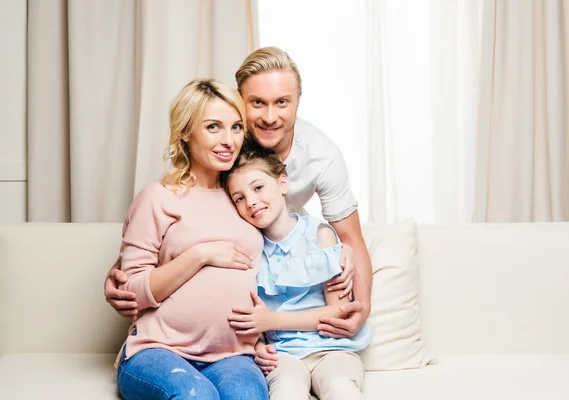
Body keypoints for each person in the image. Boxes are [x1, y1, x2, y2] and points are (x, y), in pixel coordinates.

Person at [105, 46, 372, 339]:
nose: (270, 117)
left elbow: (350, 237)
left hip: (285, 264)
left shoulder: (322, 155)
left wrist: (363, 306)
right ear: (240, 102)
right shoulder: (227, 139)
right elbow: (176, 208)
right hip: (239, 270)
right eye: (257, 103)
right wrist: (124, 273)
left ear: (298, 102)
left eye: (282, 102)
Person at [115, 79, 268, 400]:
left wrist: (333, 244)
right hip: (158, 351)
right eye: (214, 127)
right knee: (195, 395)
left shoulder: (246, 197)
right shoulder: (157, 198)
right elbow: (130, 292)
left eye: (237, 127)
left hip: (233, 355)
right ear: (185, 131)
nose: (229, 140)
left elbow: (287, 250)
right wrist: (199, 255)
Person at [223, 145, 372, 400]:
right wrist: (259, 346)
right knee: (287, 391)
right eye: (239, 198)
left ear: (283, 183)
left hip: (332, 349)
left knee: (340, 387)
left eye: (258, 188)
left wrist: (273, 321)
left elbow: (339, 311)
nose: (251, 202)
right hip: (283, 353)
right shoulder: (249, 251)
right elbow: (252, 317)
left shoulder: (319, 235)